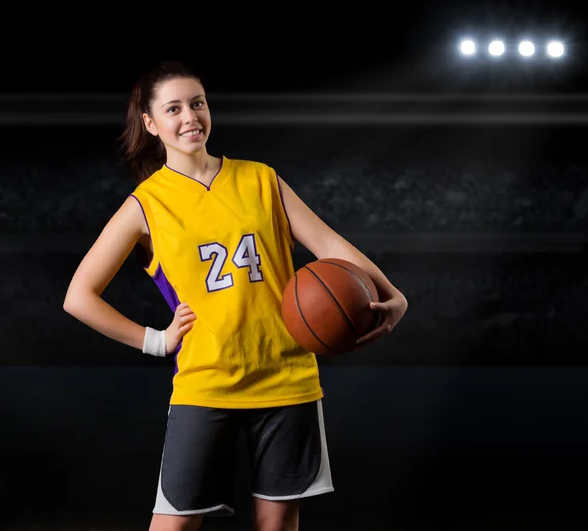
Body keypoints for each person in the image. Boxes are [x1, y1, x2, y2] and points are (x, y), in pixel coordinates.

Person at [63, 60, 408, 531]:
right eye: (174, 108)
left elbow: (328, 246)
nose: (190, 117)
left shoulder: (260, 178)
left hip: (287, 377)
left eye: (198, 103)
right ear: (150, 123)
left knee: (277, 526)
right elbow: (78, 296)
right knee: (174, 525)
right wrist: (155, 340)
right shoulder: (146, 204)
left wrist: (393, 294)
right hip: (207, 383)